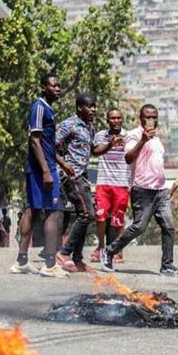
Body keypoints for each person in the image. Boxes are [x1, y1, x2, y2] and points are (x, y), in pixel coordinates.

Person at [100, 105, 178, 278]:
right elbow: (128, 157)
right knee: (139, 227)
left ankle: (167, 265)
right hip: (142, 189)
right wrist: (143, 140)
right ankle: (109, 251)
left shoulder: (157, 138)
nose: (151, 120)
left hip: (160, 189)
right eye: (147, 117)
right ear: (140, 118)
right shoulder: (134, 135)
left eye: (154, 116)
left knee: (169, 226)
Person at [9, 73, 67, 278]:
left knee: (32, 210)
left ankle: (21, 261)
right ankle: (50, 264)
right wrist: (45, 171)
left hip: (47, 165)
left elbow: (47, 144)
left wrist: (62, 164)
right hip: (41, 168)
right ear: (44, 88)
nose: (58, 89)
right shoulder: (39, 107)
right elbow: (35, 140)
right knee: (53, 212)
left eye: (59, 85)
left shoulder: (47, 108)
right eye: (53, 86)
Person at [55, 93, 97, 273]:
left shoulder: (89, 127)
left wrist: (111, 144)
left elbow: (94, 150)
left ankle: (77, 260)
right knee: (87, 214)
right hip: (71, 175)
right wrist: (64, 164)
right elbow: (50, 147)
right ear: (80, 108)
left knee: (84, 214)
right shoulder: (68, 125)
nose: (93, 110)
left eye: (94, 106)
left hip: (83, 175)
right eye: (90, 106)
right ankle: (63, 253)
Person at [90, 108, 129, 263]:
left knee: (118, 219)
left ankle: (118, 250)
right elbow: (96, 152)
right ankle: (100, 247)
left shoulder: (129, 136)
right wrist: (110, 144)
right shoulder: (100, 135)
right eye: (112, 118)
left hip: (121, 182)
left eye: (119, 118)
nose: (116, 121)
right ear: (107, 120)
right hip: (103, 182)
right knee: (100, 217)